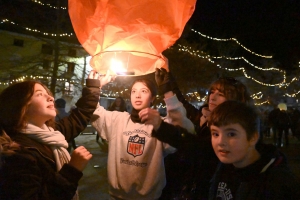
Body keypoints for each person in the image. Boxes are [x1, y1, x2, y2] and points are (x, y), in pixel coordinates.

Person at [143, 68, 252, 200]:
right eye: (212, 92)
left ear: (234, 99)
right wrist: (168, 85)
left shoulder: (232, 126)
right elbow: (184, 105)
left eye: (221, 94)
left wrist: (161, 127)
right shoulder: (205, 118)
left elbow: (197, 146)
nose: (213, 96)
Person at [91, 72, 195, 200]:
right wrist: (96, 86)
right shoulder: (118, 120)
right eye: (134, 91)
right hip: (117, 197)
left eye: (144, 91)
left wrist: (167, 91)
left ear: (152, 98)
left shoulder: (160, 126)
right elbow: (92, 111)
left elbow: (184, 128)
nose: (138, 95)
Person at [0, 70, 101, 199]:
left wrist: (93, 86)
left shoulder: (50, 134)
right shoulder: (17, 153)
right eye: (39, 94)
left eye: (47, 93)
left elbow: (79, 116)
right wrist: (72, 170)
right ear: (20, 106)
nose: (51, 98)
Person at [208, 100, 300, 199]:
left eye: (231, 134)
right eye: (215, 134)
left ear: (253, 137)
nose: (220, 142)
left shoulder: (278, 184)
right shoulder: (222, 167)